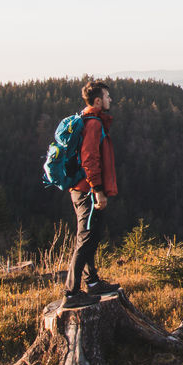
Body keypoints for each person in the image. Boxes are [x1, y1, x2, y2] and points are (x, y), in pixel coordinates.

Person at [63, 79, 122, 308]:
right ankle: (71, 293)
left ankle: (93, 282)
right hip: (87, 191)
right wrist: (97, 190)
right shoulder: (94, 124)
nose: (110, 100)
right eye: (107, 97)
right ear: (98, 100)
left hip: (84, 189)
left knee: (91, 237)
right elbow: (89, 159)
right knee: (86, 238)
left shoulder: (92, 121)